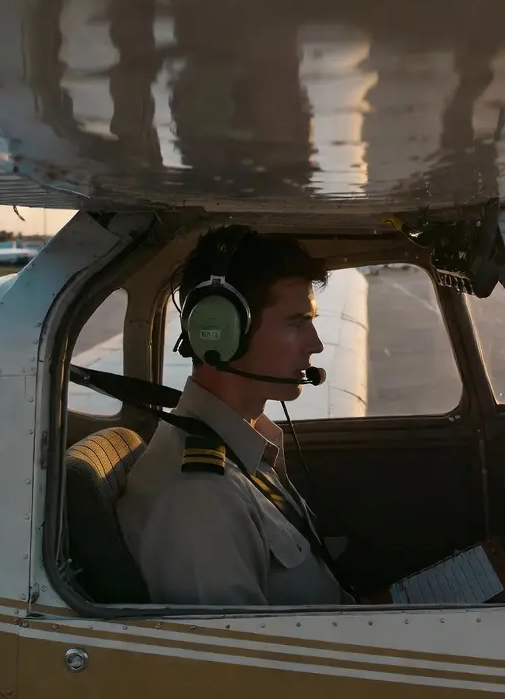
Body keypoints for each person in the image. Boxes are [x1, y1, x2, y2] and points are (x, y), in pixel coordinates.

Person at [116, 225, 349, 606]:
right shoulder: (200, 500)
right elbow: (238, 662)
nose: (316, 345)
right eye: (296, 322)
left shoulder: (245, 445)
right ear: (219, 332)